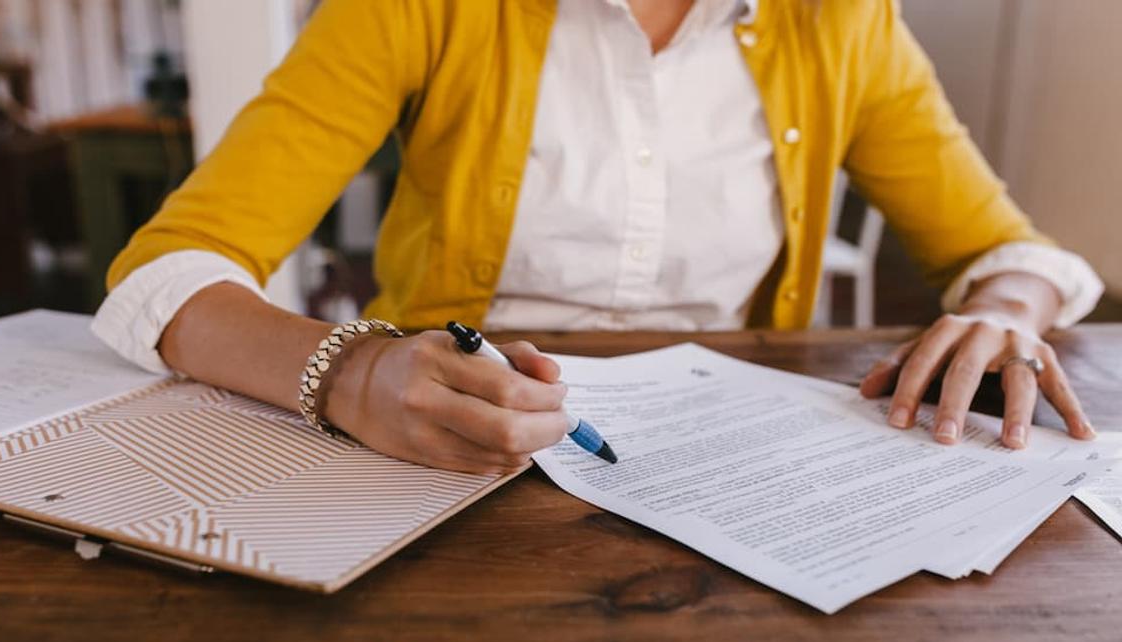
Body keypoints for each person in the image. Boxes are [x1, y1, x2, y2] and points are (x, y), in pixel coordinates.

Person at [93, 0, 1104, 474]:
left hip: (730, 458)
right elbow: (166, 275)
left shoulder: (840, 21)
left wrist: (1006, 314)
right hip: (439, 446)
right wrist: (353, 376)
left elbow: (1009, 253)